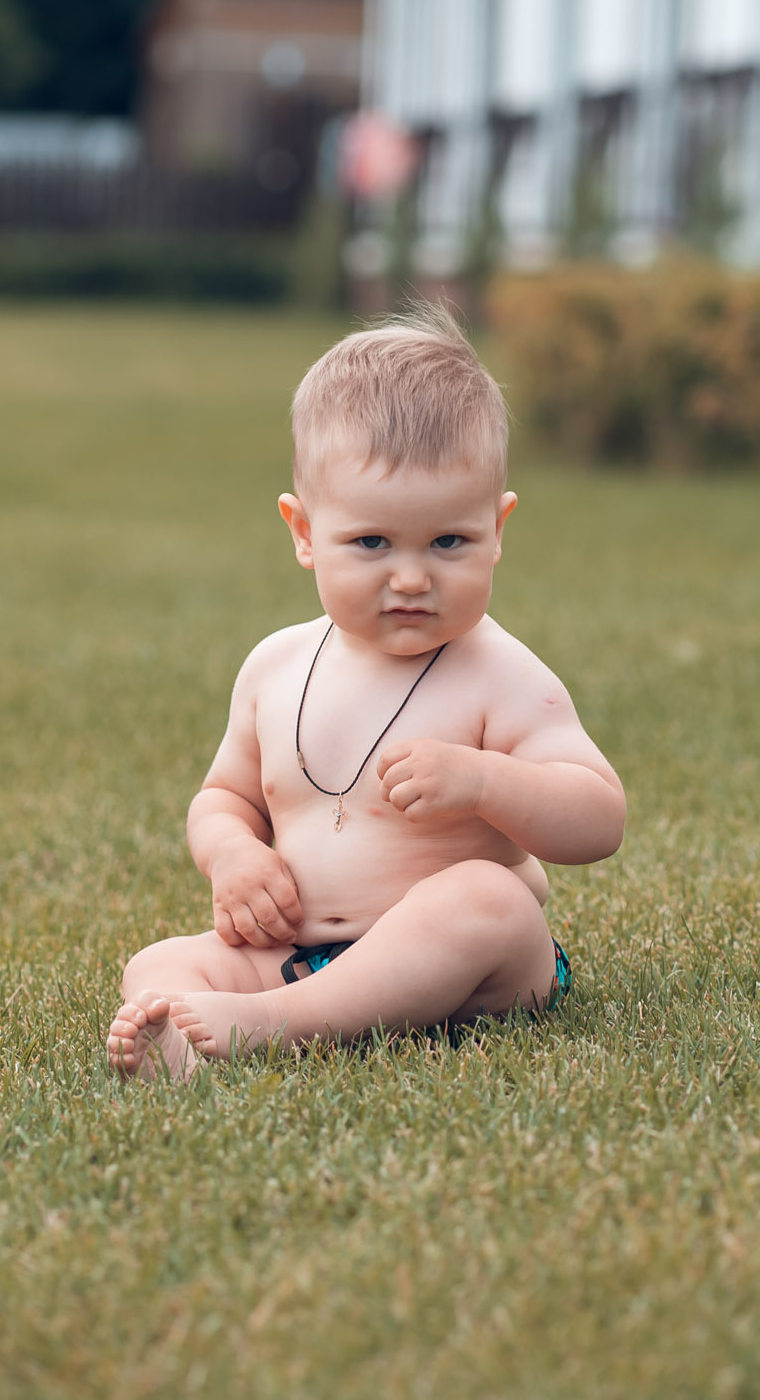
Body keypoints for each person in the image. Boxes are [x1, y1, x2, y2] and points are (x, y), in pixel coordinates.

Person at [106, 304, 626, 1080]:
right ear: (304, 532)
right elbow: (223, 798)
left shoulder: (501, 674)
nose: (411, 576)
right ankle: (188, 1040)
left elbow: (600, 817)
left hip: (470, 968)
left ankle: (273, 1025)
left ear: (498, 529)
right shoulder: (275, 667)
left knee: (488, 900)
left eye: (449, 541)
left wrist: (485, 781)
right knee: (156, 963)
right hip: (301, 952)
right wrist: (234, 855)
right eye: (371, 542)